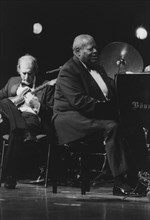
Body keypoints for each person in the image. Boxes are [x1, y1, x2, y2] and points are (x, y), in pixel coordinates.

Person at [53, 34, 150, 196]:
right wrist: (111, 110)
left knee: (133, 125)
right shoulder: (68, 71)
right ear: (77, 51)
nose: (96, 51)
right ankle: (120, 181)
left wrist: (132, 77)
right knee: (112, 127)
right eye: (91, 49)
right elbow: (80, 102)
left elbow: (113, 89)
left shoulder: (97, 67)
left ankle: (141, 176)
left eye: (96, 47)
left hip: (90, 114)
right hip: (70, 119)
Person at [0, 54, 56, 189]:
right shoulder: (12, 81)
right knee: (6, 102)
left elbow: (52, 112)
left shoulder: (46, 85)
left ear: (35, 71)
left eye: (30, 74)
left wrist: (36, 104)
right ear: (18, 70)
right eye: (24, 73)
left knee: (16, 132)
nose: (26, 77)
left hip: (30, 119)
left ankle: (9, 176)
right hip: (10, 118)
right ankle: (20, 128)